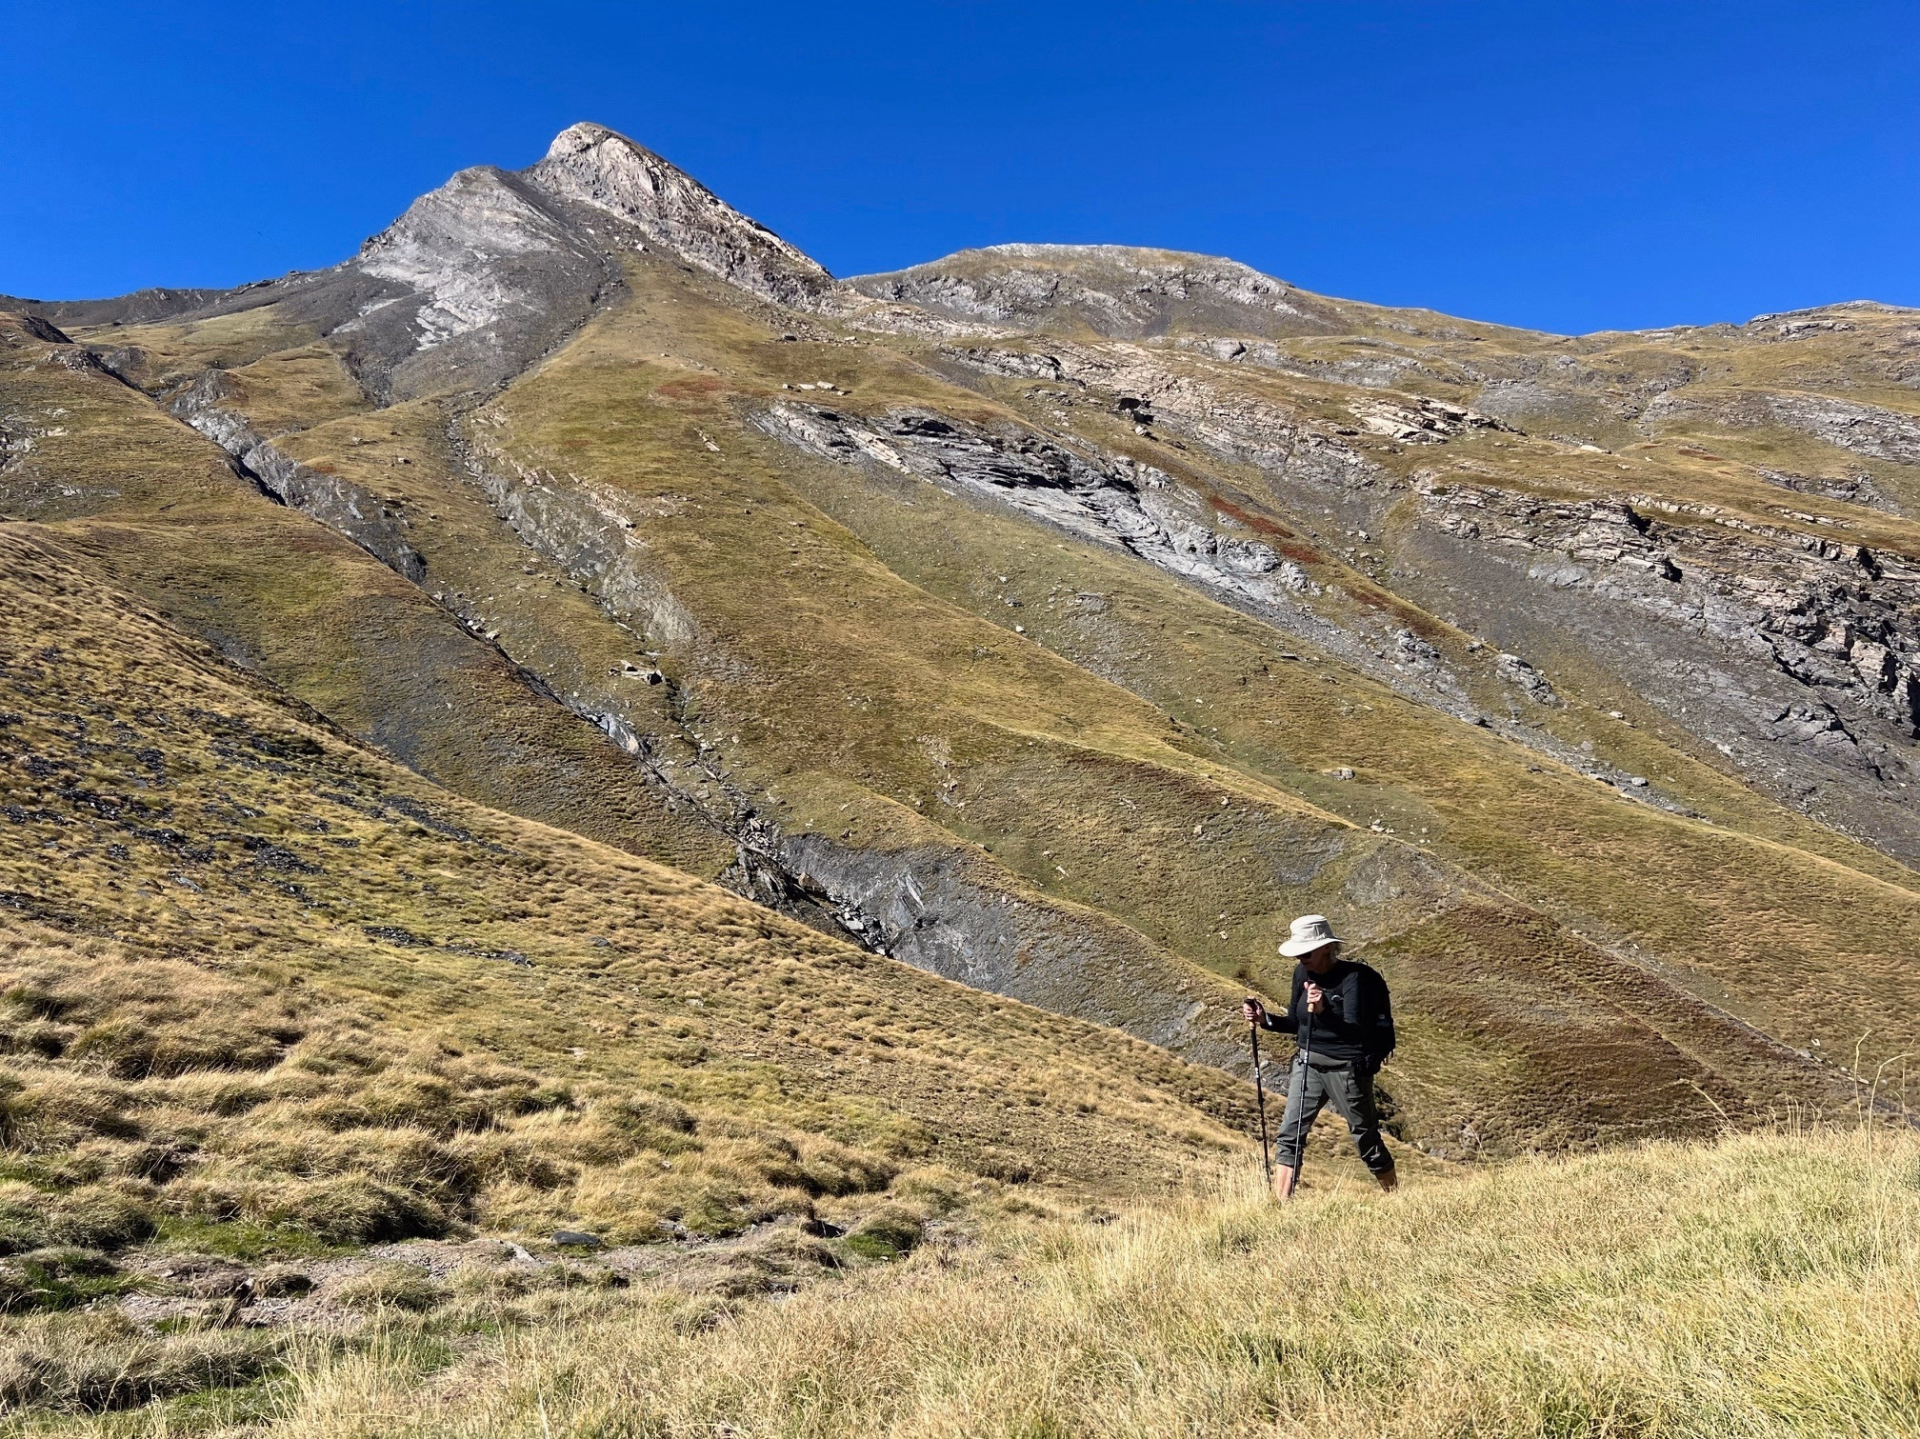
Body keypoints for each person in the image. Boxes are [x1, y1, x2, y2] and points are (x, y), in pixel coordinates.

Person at [1242, 914, 1397, 1199]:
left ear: (1327, 948)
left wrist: (1326, 1010)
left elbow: (1354, 1034)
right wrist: (1266, 1021)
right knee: (1290, 1134)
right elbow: (1297, 1023)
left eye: (1306, 952)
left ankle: (1395, 1198)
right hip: (1308, 1063)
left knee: (1366, 1140)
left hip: (1347, 1069)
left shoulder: (1354, 980)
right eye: (1298, 953)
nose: (1301, 958)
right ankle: (1280, 1207)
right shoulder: (1302, 974)